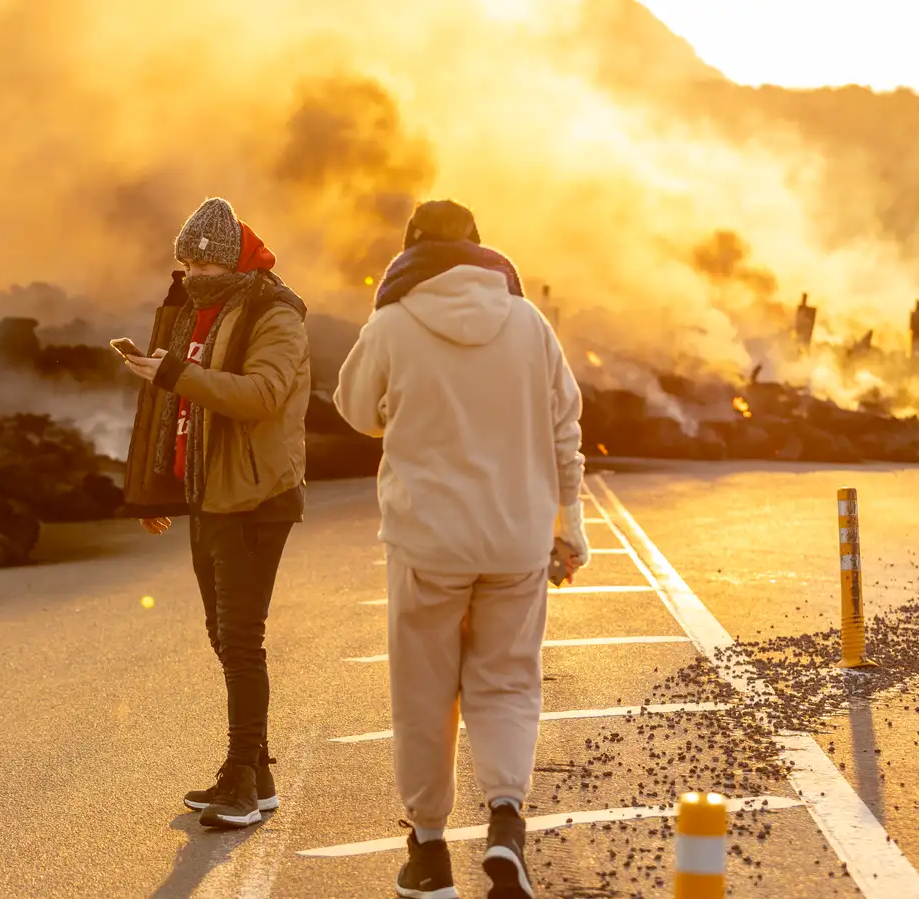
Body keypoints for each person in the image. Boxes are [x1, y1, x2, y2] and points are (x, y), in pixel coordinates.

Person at [333, 199, 587, 899]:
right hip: (517, 539)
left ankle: (430, 854)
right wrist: (572, 528)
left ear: (410, 250)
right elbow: (567, 429)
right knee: (507, 685)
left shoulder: (391, 323)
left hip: (428, 541)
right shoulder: (528, 322)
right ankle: (507, 824)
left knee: (424, 694)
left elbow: (354, 408)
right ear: (480, 249)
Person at [121, 197, 311, 830]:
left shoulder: (273, 313)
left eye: (203, 263)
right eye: (185, 262)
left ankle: (240, 780)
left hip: (257, 499)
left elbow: (259, 397)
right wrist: (158, 491)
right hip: (210, 497)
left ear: (232, 262)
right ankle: (256, 776)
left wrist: (173, 372)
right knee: (223, 637)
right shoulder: (196, 314)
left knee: (239, 640)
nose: (191, 274)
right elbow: (180, 413)